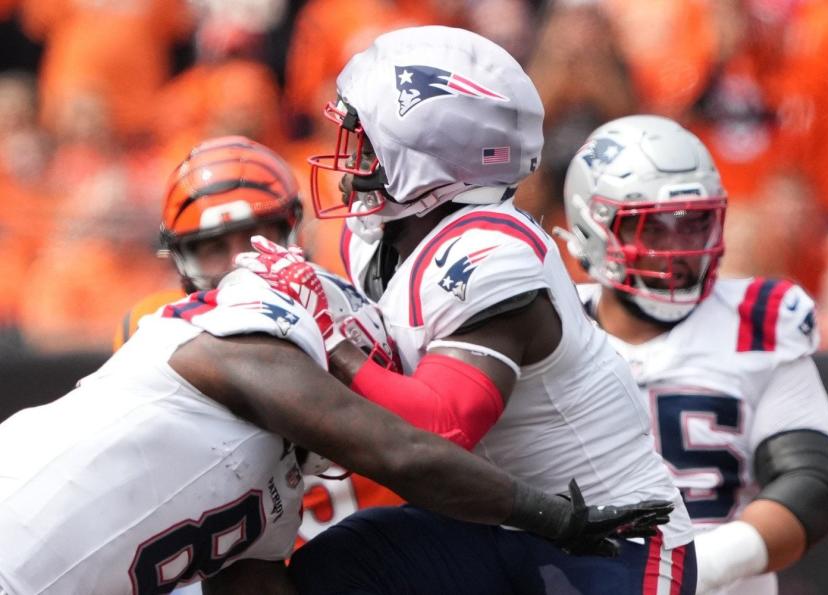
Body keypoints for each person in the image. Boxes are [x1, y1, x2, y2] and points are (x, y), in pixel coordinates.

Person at [244, 25, 696, 594]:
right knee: (337, 566)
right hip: (490, 523)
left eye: (364, 141)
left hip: (606, 536)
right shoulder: (375, 236)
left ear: (427, 158)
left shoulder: (492, 254)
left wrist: (333, 342)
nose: (349, 158)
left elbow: (438, 427)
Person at [0, 246, 669, 594]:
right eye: (359, 369)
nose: (368, 392)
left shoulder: (277, 501)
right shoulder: (243, 340)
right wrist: (551, 517)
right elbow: (403, 451)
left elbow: (257, 587)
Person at [559, 114, 828, 594]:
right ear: (595, 228)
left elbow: (809, 487)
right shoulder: (547, 326)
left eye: (692, 225)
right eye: (654, 229)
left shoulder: (758, 324)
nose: (679, 249)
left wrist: (697, 567)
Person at [113, 135, 407, 551]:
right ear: (181, 259)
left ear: (292, 229)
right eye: (215, 247)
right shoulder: (151, 328)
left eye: (256, 235)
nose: (243, 263)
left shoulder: (348, 301)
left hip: (382, 540)